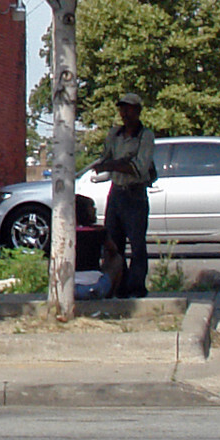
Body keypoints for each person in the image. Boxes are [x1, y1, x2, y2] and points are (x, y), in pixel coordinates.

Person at [91, 93, 156, 297]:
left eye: (129, 109)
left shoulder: (145, 135)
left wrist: (113, 165)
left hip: (135, 194)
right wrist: (114, 164)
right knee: (113, 242)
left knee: (137, 243)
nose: (125, 113)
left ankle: (136, 287)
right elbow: (105, 159)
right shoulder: (115, 135)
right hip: (117, 192)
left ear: (137, 111)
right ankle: (118, 285)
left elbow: (139, 167)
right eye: (122, 109)